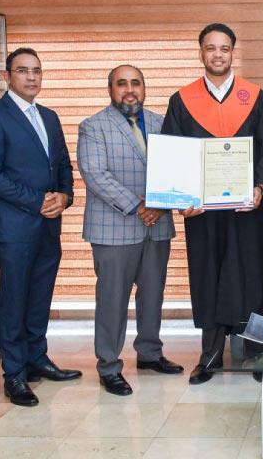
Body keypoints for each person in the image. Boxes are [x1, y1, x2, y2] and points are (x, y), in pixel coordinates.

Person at [161, 23, 263, 385]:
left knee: (251, 277)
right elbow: (173, 154)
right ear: (201, 52)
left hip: (246, 210)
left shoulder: (255, 98)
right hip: (203, 212)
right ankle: (210, 356)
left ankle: (257, 353)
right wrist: (181, 199)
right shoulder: (182, 101)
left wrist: (260, 187)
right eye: (211, 48)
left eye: (224, 48)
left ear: (232, 53)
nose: (217, 55)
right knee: (208, 276)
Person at [0, 48, 81, 407]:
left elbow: (63, 165)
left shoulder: (49, 116)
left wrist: (64, 196)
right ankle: (15, 375)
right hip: (14, 228)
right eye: (22, 70)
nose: (31, 77)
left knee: (39, 298)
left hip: (49, 226)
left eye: (36, 70)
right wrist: (38, 201)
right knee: (15, 302)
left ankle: (37, 360)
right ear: (8, 77)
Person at [77, 65, 183, 397]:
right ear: (110, 89)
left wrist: (161, 204)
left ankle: (149, 353)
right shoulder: (93, 126)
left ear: (144, 88)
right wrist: (139, 205)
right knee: (112, 300)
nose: (130, 89)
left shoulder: (162, 124)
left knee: (152, 295)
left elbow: (176, 170)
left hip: (157, 226)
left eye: (136, 83)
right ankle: (109, 366)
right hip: (114, 228)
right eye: (121, 84)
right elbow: (95, 174)